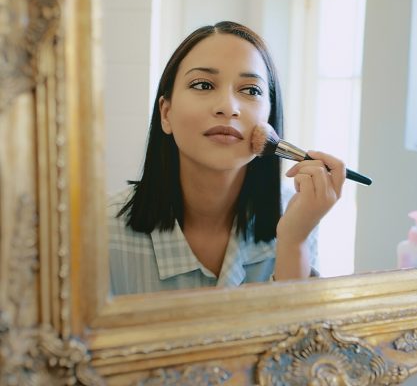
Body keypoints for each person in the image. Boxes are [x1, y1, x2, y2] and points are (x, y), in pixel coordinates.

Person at [108, 21, 346, 294]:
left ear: (269, 117)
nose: (228, 107)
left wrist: (294, 242)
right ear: (166, 114)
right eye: (203, 85)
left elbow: (300, 336)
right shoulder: (101, 234)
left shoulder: (297, 216)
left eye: (251, 90)